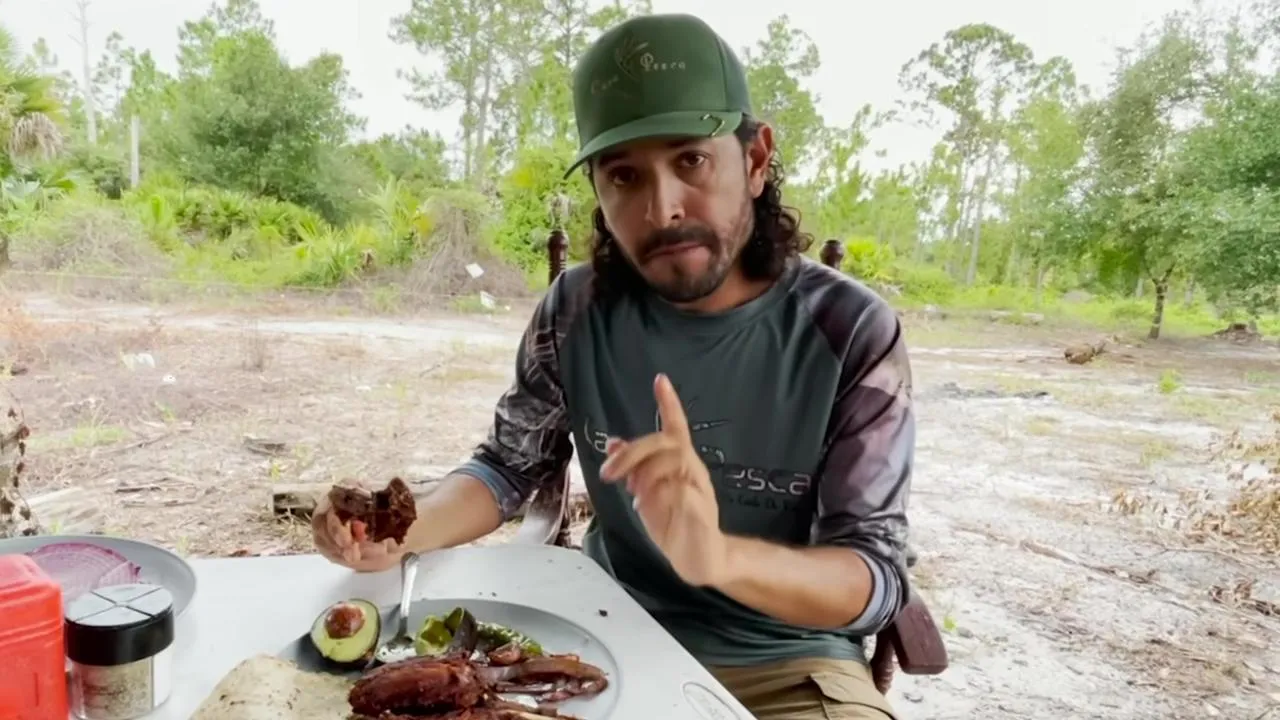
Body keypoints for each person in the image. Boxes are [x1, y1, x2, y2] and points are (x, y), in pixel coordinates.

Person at [314, 12, 913, 720]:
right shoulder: (575, 311)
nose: (662, 208)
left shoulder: (850, 331)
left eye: (691, 161)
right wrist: (396, 535)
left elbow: (873, 577)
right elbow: (507, 469)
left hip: (787, 666)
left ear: (755, 160)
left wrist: (720, 557)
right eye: (625, 175)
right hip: (600, 635)